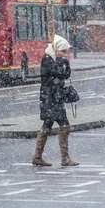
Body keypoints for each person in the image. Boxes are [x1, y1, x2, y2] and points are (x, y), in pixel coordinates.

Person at [32, 34, 79, 167]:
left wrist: (65, 62)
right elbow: (56, 73)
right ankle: (64, 158)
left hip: (56, 98)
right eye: (63, 51)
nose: (65, 54)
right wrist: (60, 61)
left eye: (66, 51)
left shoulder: (58, 59)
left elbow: (66, 74)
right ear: (56, 48)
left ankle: (38, 156)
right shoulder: (47, 59)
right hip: (50, 99)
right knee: (63, 126)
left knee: (48, 126)